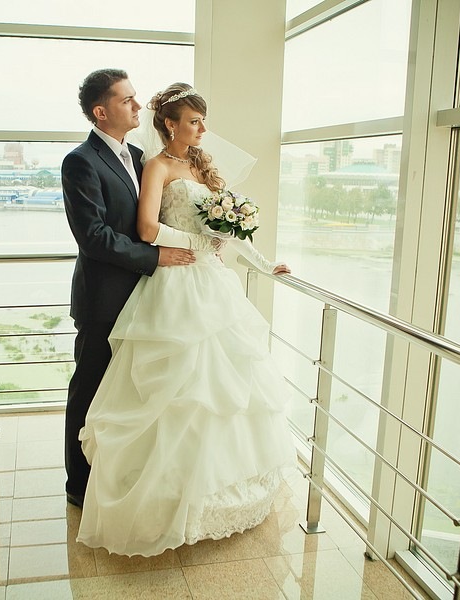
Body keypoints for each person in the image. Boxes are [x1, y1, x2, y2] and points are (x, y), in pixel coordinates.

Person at [76, 82, 296, 557]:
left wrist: (264, 264)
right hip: (175, 281)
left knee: (222, 390)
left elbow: (229, 227)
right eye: (194, 121)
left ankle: (217, 489)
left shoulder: (202, 165)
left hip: (212, 284)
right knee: (178, 392)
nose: (202, 129)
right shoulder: (154, 165)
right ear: (170, 124)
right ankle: (159, 495)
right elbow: (147, 228)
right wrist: (195, 245)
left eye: (202, 121)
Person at [62, 70, 217, 508]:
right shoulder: (80, 161)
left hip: (149, 297)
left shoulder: (138, 155)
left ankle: (122, 479)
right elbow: (93, 236)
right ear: (101, 111)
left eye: (135, 97)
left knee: (130, 397)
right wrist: (156, 256)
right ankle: (79, 485)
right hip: (104, 298)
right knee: (91, 392)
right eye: (126, 100)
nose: (137, 105)